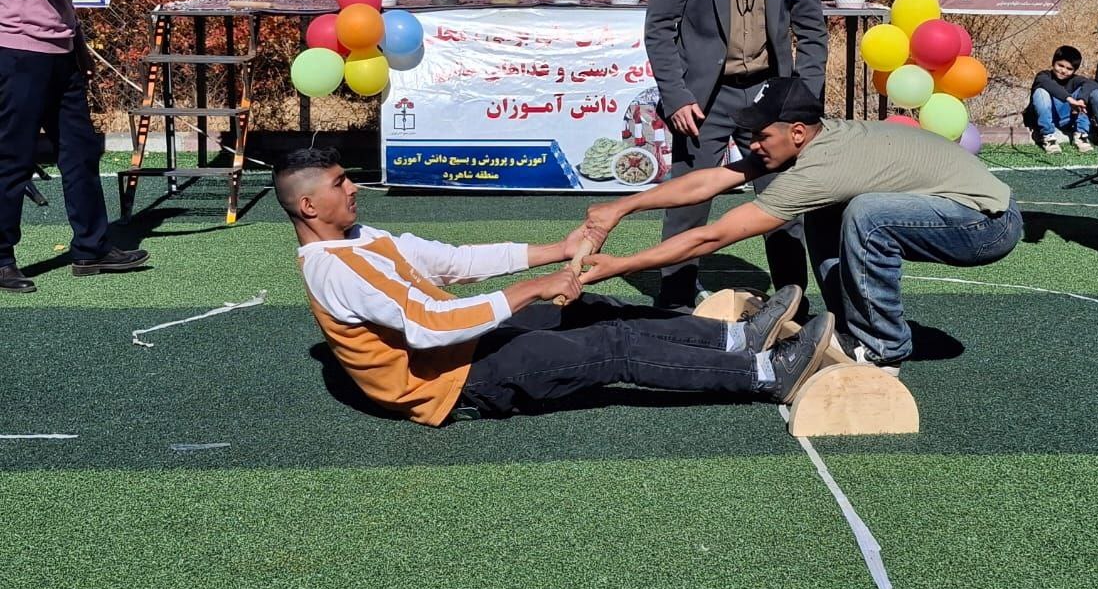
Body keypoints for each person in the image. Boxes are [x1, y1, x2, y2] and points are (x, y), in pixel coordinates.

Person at [275, 146, 834, 425]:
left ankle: (736, 339)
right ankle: (766, 374)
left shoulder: (361, 238)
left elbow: (454, 261)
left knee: (594, 309)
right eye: (339, 183)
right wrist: (533, 288)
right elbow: (429, 326)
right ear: (308, 206)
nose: (353, 188)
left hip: (466, 346)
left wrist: (559, 252)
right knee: (611, 348)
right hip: (452, 384)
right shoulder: (337, 269)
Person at [578, 78, 1021, 375]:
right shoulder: (813, 139)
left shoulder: (821, 169)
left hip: (985, 223)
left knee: (867, 214)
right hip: (955, 206)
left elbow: (713, 236)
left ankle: (882, 349)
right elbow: (711, 180)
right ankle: (849, 329)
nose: (751, 144)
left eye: (760, 136)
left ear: (795, 132)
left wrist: (621, 265)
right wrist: (622, 207)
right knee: (831, 211)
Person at [644, 0, 827, 310]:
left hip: (771, 94)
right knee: (689, 201)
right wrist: (677, 96)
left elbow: (811, 28)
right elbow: (659, 28)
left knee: (783, 203)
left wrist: (801, 99)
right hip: (703, 98)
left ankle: (791, 303)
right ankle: (674, 304)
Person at [0, 0, 149, 293]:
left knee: (81, 154)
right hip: (20, 57)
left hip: (61, 57)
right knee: (14, 159)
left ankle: (91, 248)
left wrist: (78, 44)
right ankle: (1, 259)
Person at [1024, 45, 1098, 154]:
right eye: (1060, 65)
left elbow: (1092, 84)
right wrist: (1069, 99)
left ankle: (1081, 135)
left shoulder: (1074, 80)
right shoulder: (1043, 76)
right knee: (1041, 92)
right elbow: (1048, 84)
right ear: (1053, 63)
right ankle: (1048, 136)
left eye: (1069, 69)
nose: (1063, 71)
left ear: (1074, 70)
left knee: (1086, 91)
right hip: (1044, 118)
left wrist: (1081, 100)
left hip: (1064, 119)